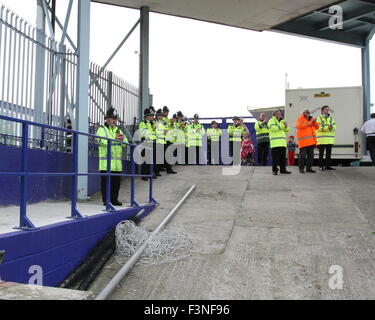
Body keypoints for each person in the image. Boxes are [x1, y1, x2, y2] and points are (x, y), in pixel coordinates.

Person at [96, 107, 128, 206]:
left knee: (116, 184)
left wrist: (122, 140)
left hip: (117, 164)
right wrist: (114, 138)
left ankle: (114, 200)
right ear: (106, 119)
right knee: (106, 184)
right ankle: (106, 201)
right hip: (106, 164)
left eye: (115, 119)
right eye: (112, 118)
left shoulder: (118, 130)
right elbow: (102, 141)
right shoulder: (101, 129)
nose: (114, 120)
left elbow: (125, 143)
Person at [296, 109, 320, 174]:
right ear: (303, 113)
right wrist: (311, 122)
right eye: (307, 112)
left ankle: (309, 168)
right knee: (302, 156)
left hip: (311, 142)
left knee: (311, 156)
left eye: (309, 112)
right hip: (303, 142)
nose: (308, 113)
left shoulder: (311, 119)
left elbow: (317, 127)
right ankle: (301, 169)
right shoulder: (300, 119)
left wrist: (314, 122)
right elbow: (300, 126)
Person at [268, 110, 291, 175]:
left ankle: (283, 170)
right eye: (278, 113)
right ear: (274, 114)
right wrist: (283, 126)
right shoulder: (271, 121)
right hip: (275, 143)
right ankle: (274, 170)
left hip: (282, 143)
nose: (280, 114)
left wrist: (286, 126)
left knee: (283, 158)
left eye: (280, 113)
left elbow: (287, 129)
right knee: (275, 159)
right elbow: (273, 128)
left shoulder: (282, 121)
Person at [139, 108, 159, 181]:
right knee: (145, 159)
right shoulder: (142, 123)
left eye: (153, 115)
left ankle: (150, 173)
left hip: (153, 142)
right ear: (146, 116)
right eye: (151, 115)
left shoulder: (152, 123)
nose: (152, 117)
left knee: (151, 159)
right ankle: (144, 175)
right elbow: (145, 133)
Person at [155, 109, 177, 174]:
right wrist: (165, 131)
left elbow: (167, 129)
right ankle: (157, 171)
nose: (161, 117)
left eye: (162, 115)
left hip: (165, 140)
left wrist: (171, 125)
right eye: (160, 115)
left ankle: (168, 169)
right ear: (157, 116)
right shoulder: (155, 122)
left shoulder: (163, 122)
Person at [316, 105, 336, 171]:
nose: (327, 110)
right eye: (325, 109)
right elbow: (318, 128)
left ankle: (328, 166)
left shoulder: (331, 118)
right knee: (321, 154)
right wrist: (328, 128)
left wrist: (332, 128)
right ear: (322, 111)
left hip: (329, 140)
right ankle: (320, 166)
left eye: (328, 109)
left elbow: (334, 127)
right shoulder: (319, 118)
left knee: (328, 154)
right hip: (322, 140)